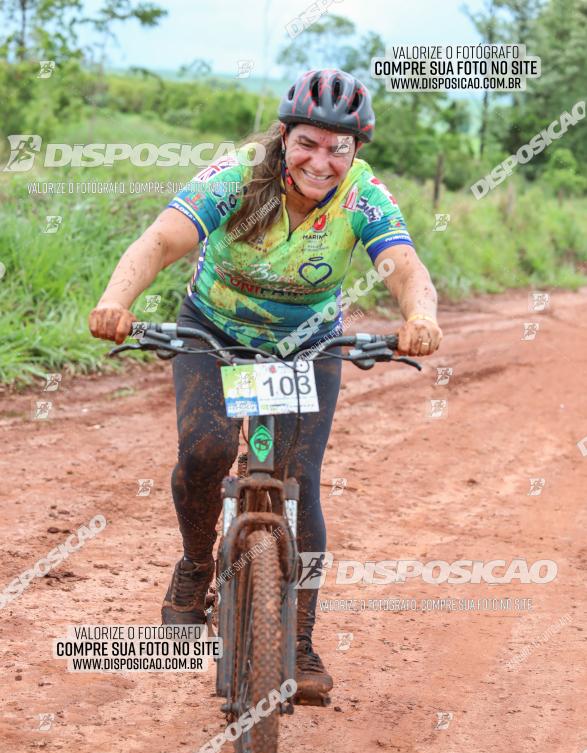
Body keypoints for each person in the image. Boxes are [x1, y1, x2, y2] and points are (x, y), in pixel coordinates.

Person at [88, 68, 442, 702]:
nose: (322, 160)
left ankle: (299, 640)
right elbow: (161, 241)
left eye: (340, 148)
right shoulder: (236, 177)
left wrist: (420, 317)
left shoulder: (363, 197)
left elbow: (406, 269)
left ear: (356, 152)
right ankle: (197, 565)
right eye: (309, 142)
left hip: (308, 345)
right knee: (204, 450)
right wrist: (116, 302)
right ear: (284, 136)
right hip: (214, 333)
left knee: (298, 486)